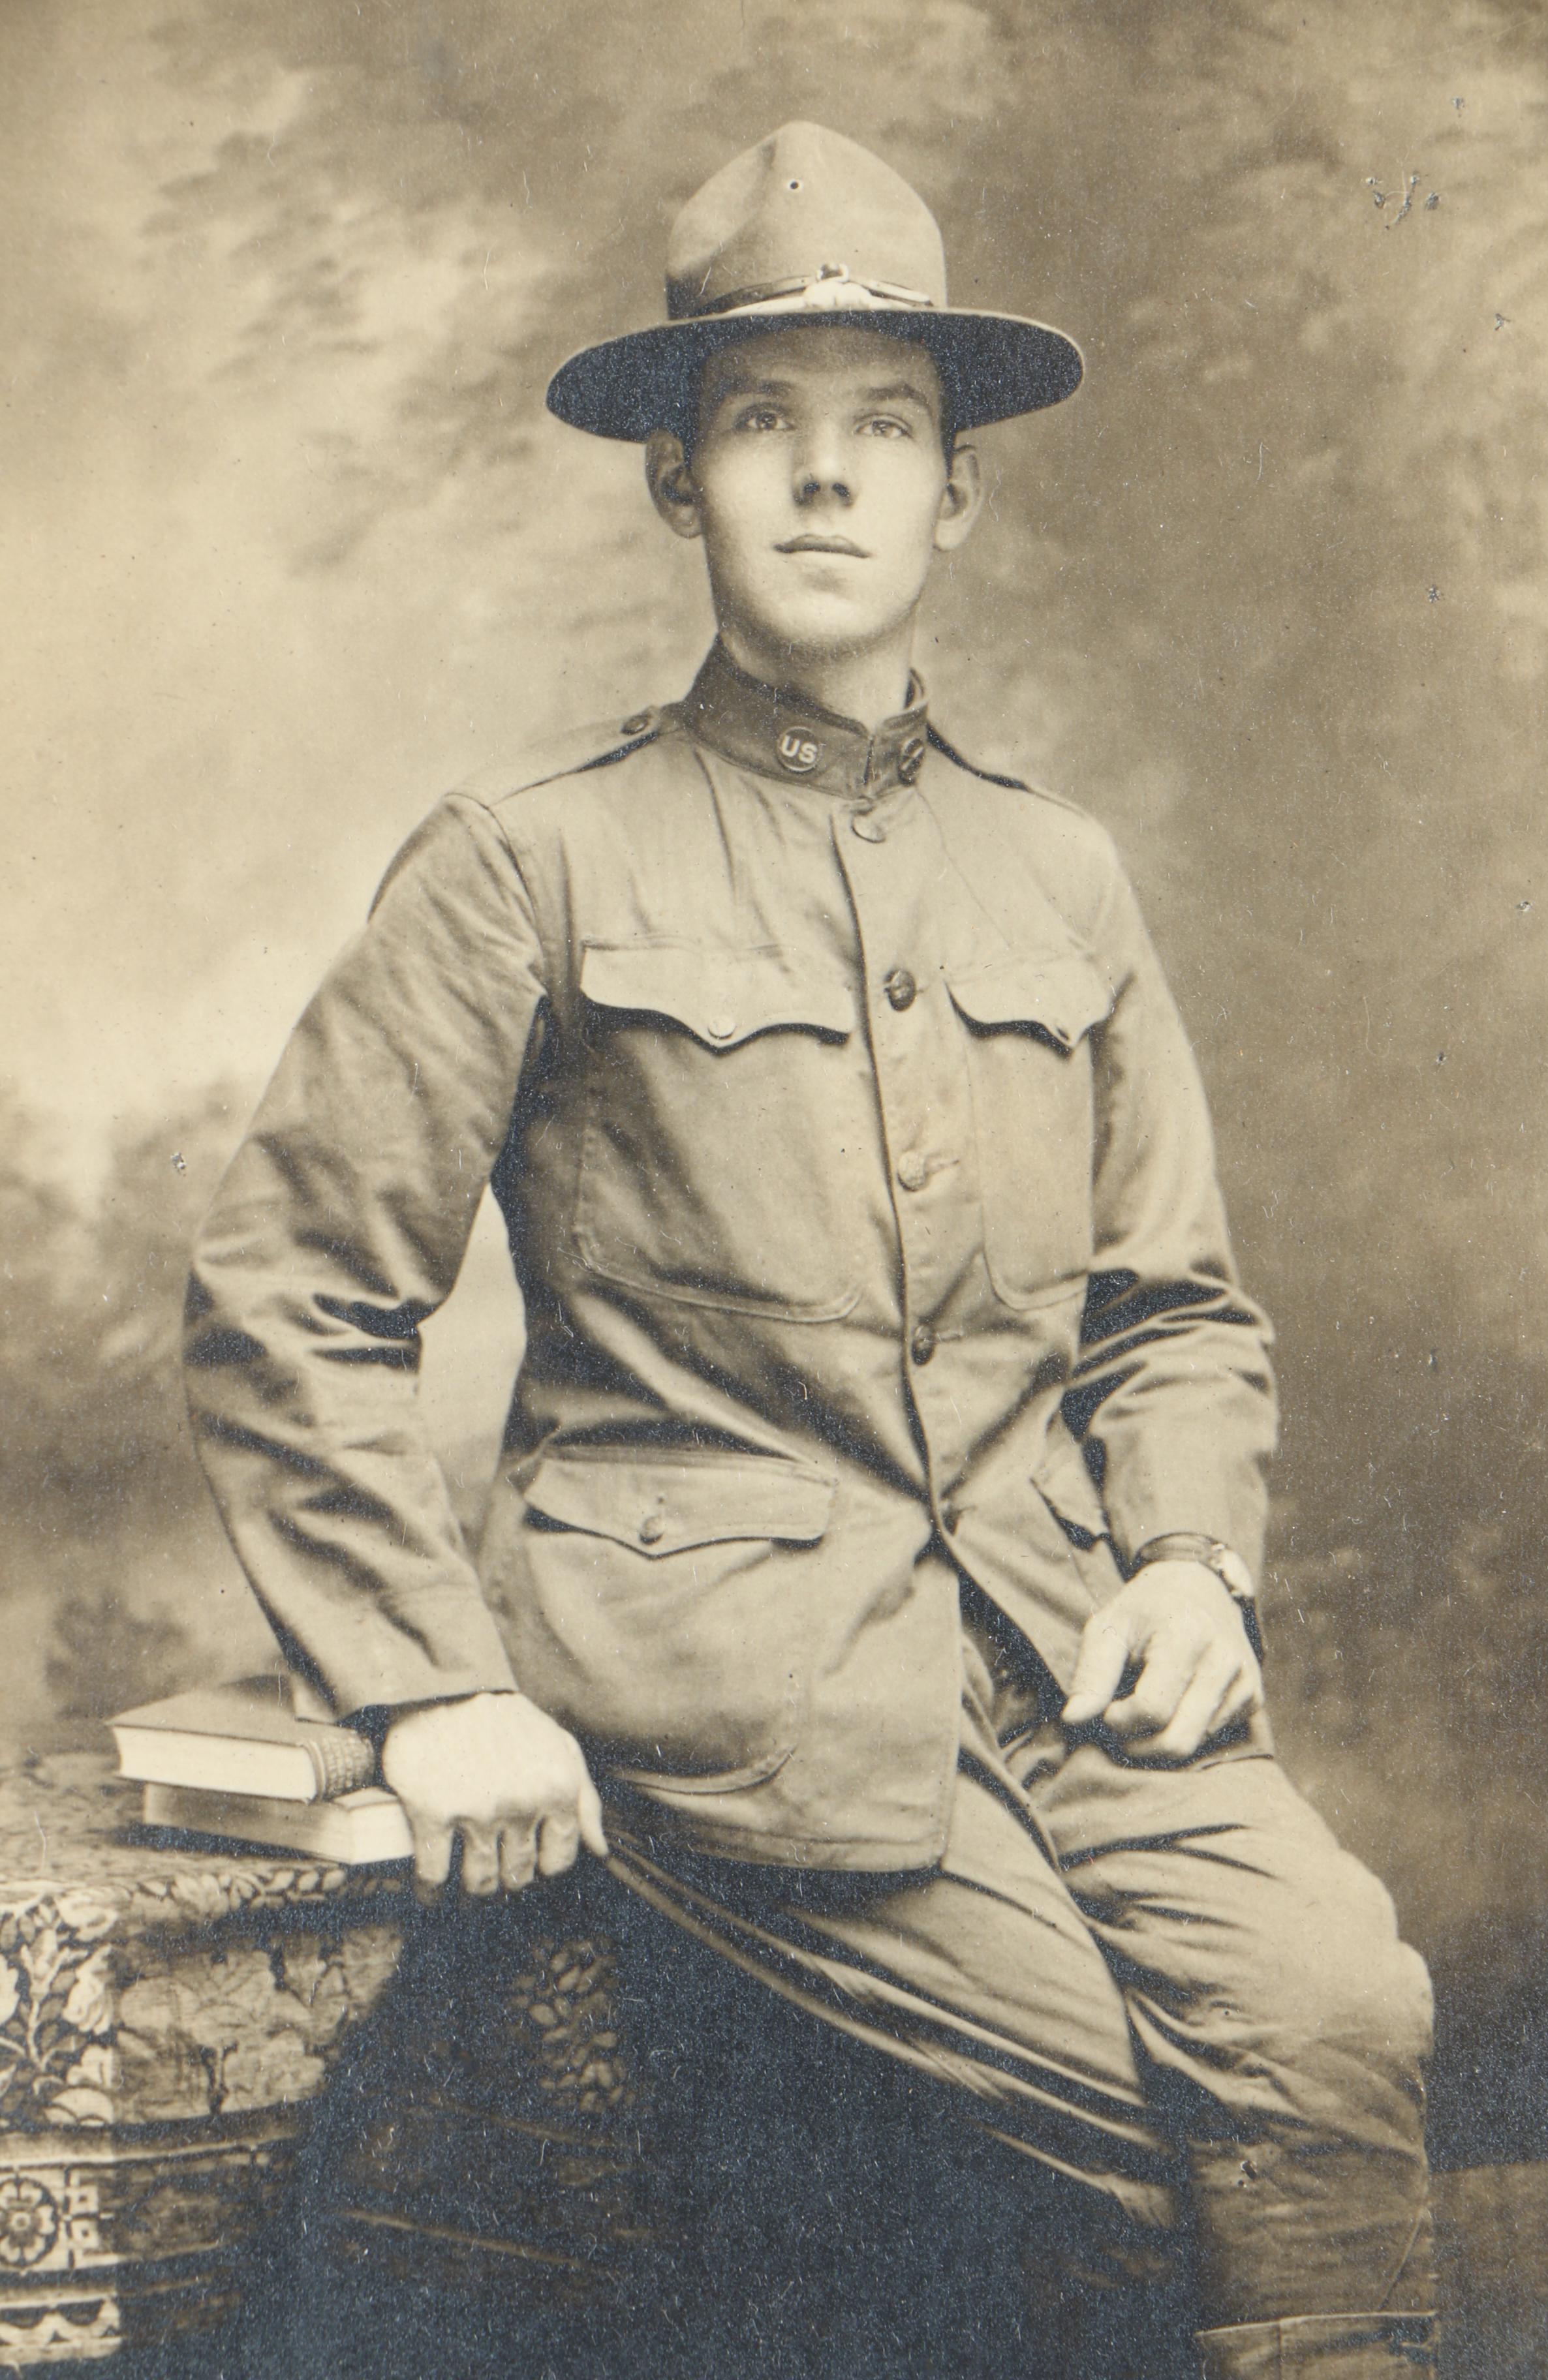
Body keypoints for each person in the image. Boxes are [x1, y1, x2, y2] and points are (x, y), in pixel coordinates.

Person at [183, 123, 1437, 2379]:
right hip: (720, 1687)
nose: (828, 481)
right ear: (680, 479)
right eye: (763, 423)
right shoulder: (527, 866)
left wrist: (1188, 1564)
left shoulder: (1059, 881)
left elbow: (1173, 1309)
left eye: (886, 430)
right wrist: (432, 1685)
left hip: (1061, 1650)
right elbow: (293, 1296)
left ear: (959, 490)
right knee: (1134, 2139)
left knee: (1341, 2021)